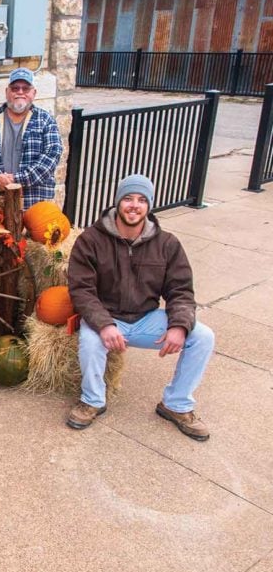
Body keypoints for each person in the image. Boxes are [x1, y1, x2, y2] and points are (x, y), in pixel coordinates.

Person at [66, 174, 215, 441]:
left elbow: (181, 290)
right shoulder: (91, 240)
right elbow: (82, 290)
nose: (134, 205)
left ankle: (176, 404)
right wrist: (104, 324)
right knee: (89, 340)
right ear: (117, 202)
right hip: (106, 317)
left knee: (203, 336)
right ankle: (93, 400)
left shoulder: (167, 244)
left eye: (142, 200)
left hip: (145, 319)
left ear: (149, 206)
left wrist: (179, 325)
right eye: (128, 198)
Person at [0, 67, 63, 208]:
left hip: (33, 204)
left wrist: (18, 180)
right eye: (15, 88)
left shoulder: (46, 121)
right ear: (7, 92)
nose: (20, 92)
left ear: (34, 93)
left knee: (36, 229)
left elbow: (51, 158)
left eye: (25, 88)